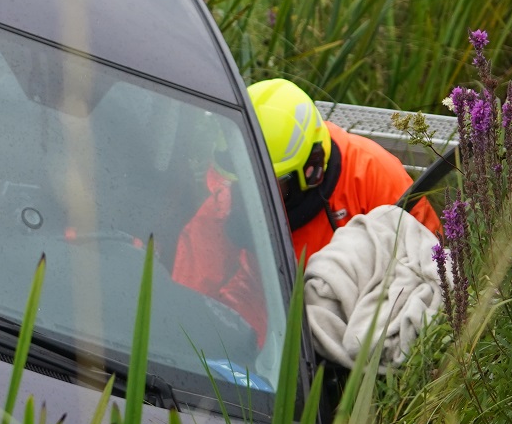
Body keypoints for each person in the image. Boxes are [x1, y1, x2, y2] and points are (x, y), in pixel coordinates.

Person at [172, 79, 444, 340]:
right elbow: (186, 302)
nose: (256, 193)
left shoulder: (375, 177)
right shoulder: (227, 202)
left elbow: (430, 267)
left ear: (311, 170)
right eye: (246, 178)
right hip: (268, 316)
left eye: (273, 183)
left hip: (362, 324)